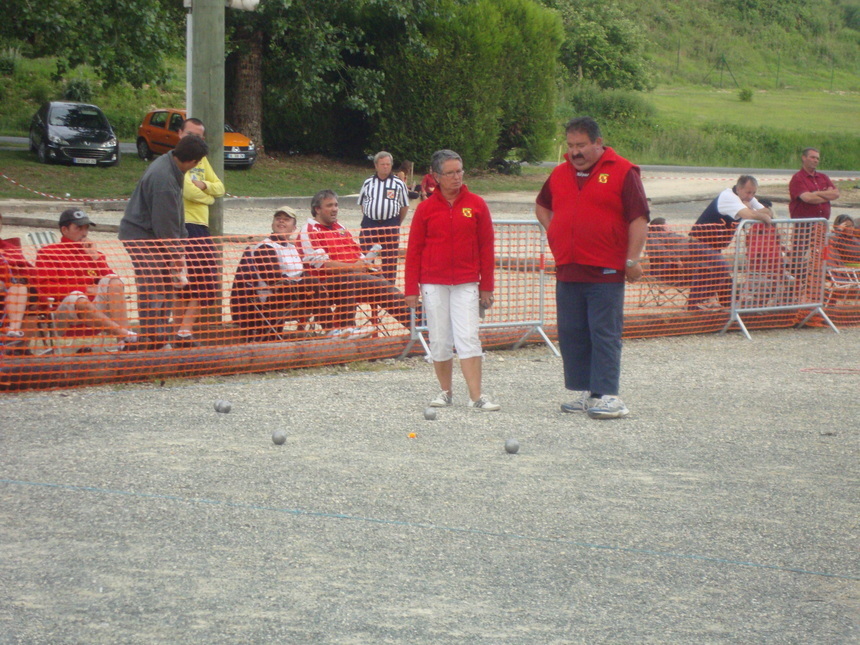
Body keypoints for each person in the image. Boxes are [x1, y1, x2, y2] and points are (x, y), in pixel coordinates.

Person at [535, 116, 649, 419]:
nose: (575, 152)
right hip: (569, 269)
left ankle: (610, 395)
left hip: (606, 271)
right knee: (574, 332)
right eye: (570, 146)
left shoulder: (623, 172)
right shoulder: (560, 174)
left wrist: (632, 260)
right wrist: (556, 232)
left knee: (604, 333)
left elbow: (639, 217)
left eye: (581, 145)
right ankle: (589, 393)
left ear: (598, 143)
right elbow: (542, 206)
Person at [405, 149, 499, 412]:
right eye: (450, 173)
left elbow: (487, 248)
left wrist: (487, 287)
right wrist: (410, 289)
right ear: (436, 176)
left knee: (468, 336)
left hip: (467, 282)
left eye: (459, 171)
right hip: (433, 282)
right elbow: (414, 251)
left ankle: (476, 396)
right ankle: (445, 392)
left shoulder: (477, 204)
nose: (456, 177)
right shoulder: (424, 209)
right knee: (439, 338)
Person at [118, 134, 209, 348]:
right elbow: (165, 228)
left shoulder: (170, 165)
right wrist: (177, 257)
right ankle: (154, 338)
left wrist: (181, 247)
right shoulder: (165, 181)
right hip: (141, 236)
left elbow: (175, 216)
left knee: (166, 284)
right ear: (193, 161)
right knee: (153, 285)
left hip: (155, 235)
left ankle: (159, 333)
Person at [298, 189, 411, 336]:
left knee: (381, 283)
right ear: (317, 209)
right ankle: (345, 328)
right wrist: (354, 267)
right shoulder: (309, 230)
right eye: (330, 206)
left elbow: (357, 253)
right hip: (324, 287)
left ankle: (419, 325)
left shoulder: (340, 228)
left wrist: (367, 265)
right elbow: (323, 265)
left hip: (355, 279)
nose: (335, 209)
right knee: (358, 281)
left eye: (336, 205)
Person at [34, 209, 139, 349]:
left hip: (94, 312)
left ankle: (124, 342)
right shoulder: (48, 253)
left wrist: (96, 258)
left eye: (86, 228)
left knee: (113, 280)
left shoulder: (92, 254)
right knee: (77, 297)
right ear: (64, 230)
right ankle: (127, 336)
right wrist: (85, 289)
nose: (84, 233)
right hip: (62, 313)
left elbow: (114, 283)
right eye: (79, 228)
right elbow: (44, 287)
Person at [230, 206, 330, 341]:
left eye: (286, 220)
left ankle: (343, 327)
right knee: (311, 283)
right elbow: (274, 280)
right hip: (272, 298)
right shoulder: (265, 247)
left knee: (337, 283)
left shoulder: (292, 248)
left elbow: (300, 274)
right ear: (272, 224)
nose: (281, 222)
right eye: (278, 219)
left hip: (294, 294)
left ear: (294, 227)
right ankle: (331, 327)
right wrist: (302, 280)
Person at [687, 176, 773, 310]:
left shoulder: (746, 198)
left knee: (712, 275)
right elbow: (750, 214)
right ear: (738, 189)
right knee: (721, 268)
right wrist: (757, 214)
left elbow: (768, 211)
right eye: (748, 192)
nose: (751, 196)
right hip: (699, 242)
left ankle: (725, 305)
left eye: (753, 193)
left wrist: (753, 211)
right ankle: (702, 302)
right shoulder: (728, 196)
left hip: (713, 245)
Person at [177, 118, 226, 344]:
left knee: (205, 279)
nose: (193, 139)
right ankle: (177, 330)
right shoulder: (175, 159)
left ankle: (184, 330)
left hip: (201, 227)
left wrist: (205, 186)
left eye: (198, 136)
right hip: (182, 225)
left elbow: (220, 187)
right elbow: (187, 191)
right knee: (181, 281)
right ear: (180, 134)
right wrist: (208, 198)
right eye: (190, 134)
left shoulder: (202, 160)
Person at [357, 151, 411, 284]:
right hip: (370, 224)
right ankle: (367, 286)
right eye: (382, 164)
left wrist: (396, 222)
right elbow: (363, 204)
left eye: (388, 164)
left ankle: (389, 289)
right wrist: (372, 215)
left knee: (390, 258)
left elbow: (404, 206)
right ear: (376, 165)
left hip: (390, 224)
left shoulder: (399, 184)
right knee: (367, 255)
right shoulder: (368, 182)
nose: (385, 167)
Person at [0, 211, 36, 354]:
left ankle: (19, 345)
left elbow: (29, 271)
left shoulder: (9, 249)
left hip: (13, 292)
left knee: (30, 294)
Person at [789, 148, 840, 221]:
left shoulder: (823, 177)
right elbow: (808, 198)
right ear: (804, 158)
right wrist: (828, 195)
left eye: (817, 159)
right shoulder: (797, 178)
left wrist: (816, 193)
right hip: (804, 226)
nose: (816, 160)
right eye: (812, 157)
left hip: (822, 224)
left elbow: (836, 194)